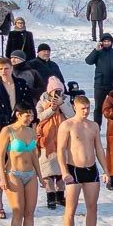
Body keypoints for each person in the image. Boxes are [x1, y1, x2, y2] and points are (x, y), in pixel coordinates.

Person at [57, 96, 111, 226]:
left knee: (92, 207)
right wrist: (64, 171)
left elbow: (99, 149)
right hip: (74, 169)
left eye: (88, 108)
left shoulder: (93, 126)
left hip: (91, 170)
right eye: (83, 108)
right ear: (75, 108)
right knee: (71, 209)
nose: (86, 111)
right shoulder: (67, 125)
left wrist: (106, 170)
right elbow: (60, 150)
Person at [0, 58, 32, 220]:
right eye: (0, 69)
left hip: (19, 127)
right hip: (1, 127)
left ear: (11, 68)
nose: (4, 71)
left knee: (20, 162)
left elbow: (29, 106)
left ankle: (21, 202)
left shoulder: (21, 84)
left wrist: (31, 127)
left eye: (6, 68)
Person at [0, 104, 44, 226]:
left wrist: (40, 175)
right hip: (13, 173)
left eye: (31, 116)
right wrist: (2, 178)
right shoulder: (8, 130)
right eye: (27, 115)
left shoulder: (31, 131)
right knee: (18, 212)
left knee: (29, 213)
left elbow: (34, 155)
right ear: (18, 114)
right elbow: (0, 156)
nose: (30, 118)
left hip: (30, 174)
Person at [35, 76, 73, 209]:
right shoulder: (42, 102)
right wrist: (50, 109)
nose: (57, 93)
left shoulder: (67, 101)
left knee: (62, 169)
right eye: (54, 90)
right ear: (49, 91)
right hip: (46, 140)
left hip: (63, 141)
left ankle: (60, 195)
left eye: (59, 90)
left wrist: (62, 104)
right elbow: (38, 117)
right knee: (48, 171)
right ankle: (50, 196)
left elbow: (72, 116)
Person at [84, 34, 113, 127]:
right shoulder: (98, 52)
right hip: (100, 84)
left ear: (111, 42)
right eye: (104, 41)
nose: (106, 43)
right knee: (98, 107)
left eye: (108, 41)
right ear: (101, 42)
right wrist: (96, 50)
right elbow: (88, 61)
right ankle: (96, 127)